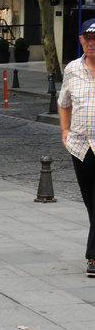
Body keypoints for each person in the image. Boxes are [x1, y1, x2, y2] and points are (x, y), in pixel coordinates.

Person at [59, 17, 95, 277]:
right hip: (80, 146)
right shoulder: (72, 69)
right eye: (88, 38)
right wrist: (64, 130)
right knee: (90, 201)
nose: (92, 43)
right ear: (81, 40)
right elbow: (64, 102)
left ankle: (93, 257)